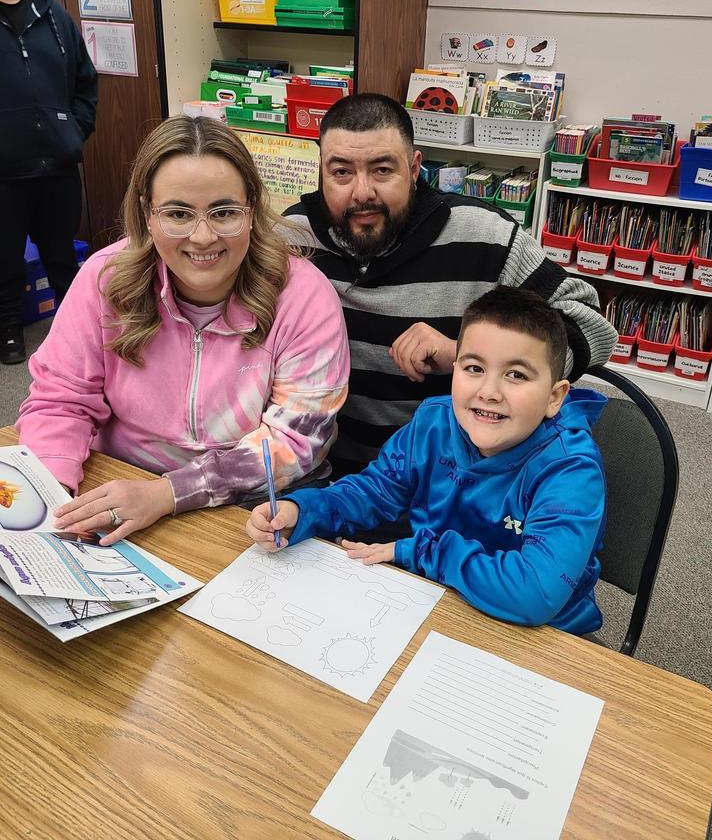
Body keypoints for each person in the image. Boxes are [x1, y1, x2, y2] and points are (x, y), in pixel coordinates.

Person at [17, 115, 349, 544]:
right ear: (147, 214)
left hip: (258, 502)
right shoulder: (105, 278)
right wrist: (53, 492)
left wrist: (167, 493)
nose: (203, 237)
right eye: (177, 213)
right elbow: (60, 399)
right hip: (124, 479)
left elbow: (295, 442)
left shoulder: (304, 296)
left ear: (252, 210)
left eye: (224, 212)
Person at [284, 93, 617, 480]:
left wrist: (468, 354)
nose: (362, 193)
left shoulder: (486, 237)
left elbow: (593, 325)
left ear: (413, 169)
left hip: (452, 488)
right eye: (341, 172)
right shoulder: (291, 239)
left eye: (382, 170)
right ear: (321, 171)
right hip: (320, 479)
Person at [246, 286, 608, 635]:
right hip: (437, 602)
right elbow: (374, 491)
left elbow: (535, 594)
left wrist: (419, 550)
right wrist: (302, 512)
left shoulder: (570, 470)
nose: (489, 392)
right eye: (474, 368)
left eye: (516, 375)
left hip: (543, 638)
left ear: (554, 397)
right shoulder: (434, 423)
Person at [0, 0, 98, 365]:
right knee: (4, 261)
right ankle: (9, 332)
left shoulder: (54, 16)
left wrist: (74, 132)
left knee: (62, 255)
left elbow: (85, 80)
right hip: (3, 170)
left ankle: (73, 330)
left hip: (57, 163)